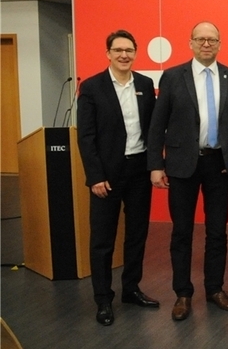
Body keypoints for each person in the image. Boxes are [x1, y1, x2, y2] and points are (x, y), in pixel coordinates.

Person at [148, 21, 228, 321]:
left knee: (218, 231)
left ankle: (215, 289)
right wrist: (155, 165)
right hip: (181, 165)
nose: (206, 44)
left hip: (219, 165)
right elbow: (156, 125)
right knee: (181, 232)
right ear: (190, 43)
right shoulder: (173, 76)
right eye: (200, 39)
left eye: (212, 39)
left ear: (219, 43)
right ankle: (183, 294)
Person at [77, 30, 158, 326]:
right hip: (106, 176)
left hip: (138, 170)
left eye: (129, 50)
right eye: (118, 50)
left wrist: (154, 165)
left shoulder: (146, 85)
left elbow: (152, 128)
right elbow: (86, 137)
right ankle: (103, 299)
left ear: (136, 53)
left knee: (137, 234)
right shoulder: (92, 87)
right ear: (108, 53)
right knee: (103, 239)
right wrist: (95, 176)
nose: (124, 55)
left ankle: (131, 289)